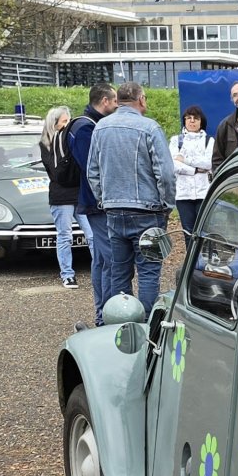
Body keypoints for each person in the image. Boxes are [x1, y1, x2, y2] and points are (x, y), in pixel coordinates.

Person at [87, 80, 175, 313]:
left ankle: (121, 322)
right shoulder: (150, 128)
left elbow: (92, 172)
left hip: (114, 211)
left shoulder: (101, 127)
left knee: (120, 271)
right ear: (141, 99)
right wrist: (167, 204)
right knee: (149, 271)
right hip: (148, 212)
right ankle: (146, 326)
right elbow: (165, 173)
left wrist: (104, 200)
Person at [67, 83, 119, 324]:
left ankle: (102, 312)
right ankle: (107, 314)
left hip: (92, 201)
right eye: (115, 101)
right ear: (105, 101)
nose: (118, 105)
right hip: (95, 202)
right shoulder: (86, 128)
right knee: (109, 258)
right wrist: (103, 197)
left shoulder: (85, 124)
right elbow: (93, 167)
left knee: (100, 258)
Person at [38, 106, 80, 288]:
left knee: (93, 235)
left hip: (79, 194)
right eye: (64, 121)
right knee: (65, 235)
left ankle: (101, 269)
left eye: (68, 121)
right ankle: (67, 274)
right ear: (53, 124)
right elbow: (56, 173)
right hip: (61, 195)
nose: (67, 125)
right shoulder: (46, 145)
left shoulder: (72, 140)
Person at [170, 105, 214, 248]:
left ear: (202, 121)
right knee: (188, 232)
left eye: (196, 118)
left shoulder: (209, 141)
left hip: (204, 193)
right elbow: (174, 165)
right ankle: (192, 266)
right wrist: (195, 170)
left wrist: (186, 159)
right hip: (183, 194)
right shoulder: (176, 141)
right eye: (188, 118)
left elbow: (208, 163)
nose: (192, 121)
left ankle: (207, 264)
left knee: (205, 231)